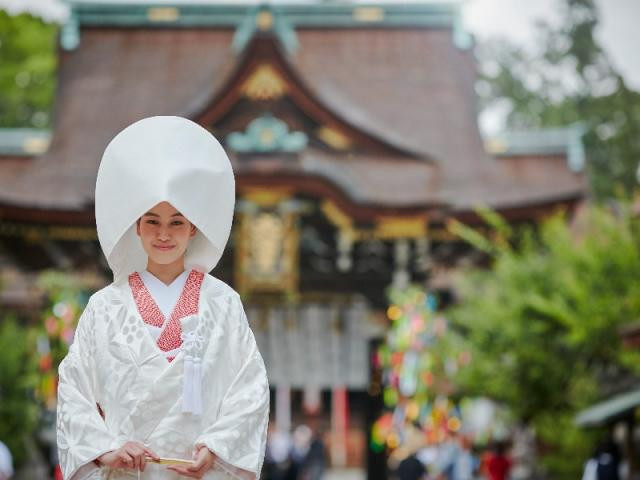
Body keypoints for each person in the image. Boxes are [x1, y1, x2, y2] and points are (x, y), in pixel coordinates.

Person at [56, 116, 270, 479]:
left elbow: (250, 387)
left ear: (193, 229)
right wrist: (107, 448)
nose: (164, 235)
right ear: (136, 227)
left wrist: (216, 446)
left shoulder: (222, 303)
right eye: (152, 221)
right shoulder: (105, 307)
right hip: (128, 471)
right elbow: (74, 390)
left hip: (199, 471)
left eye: (177, 222)